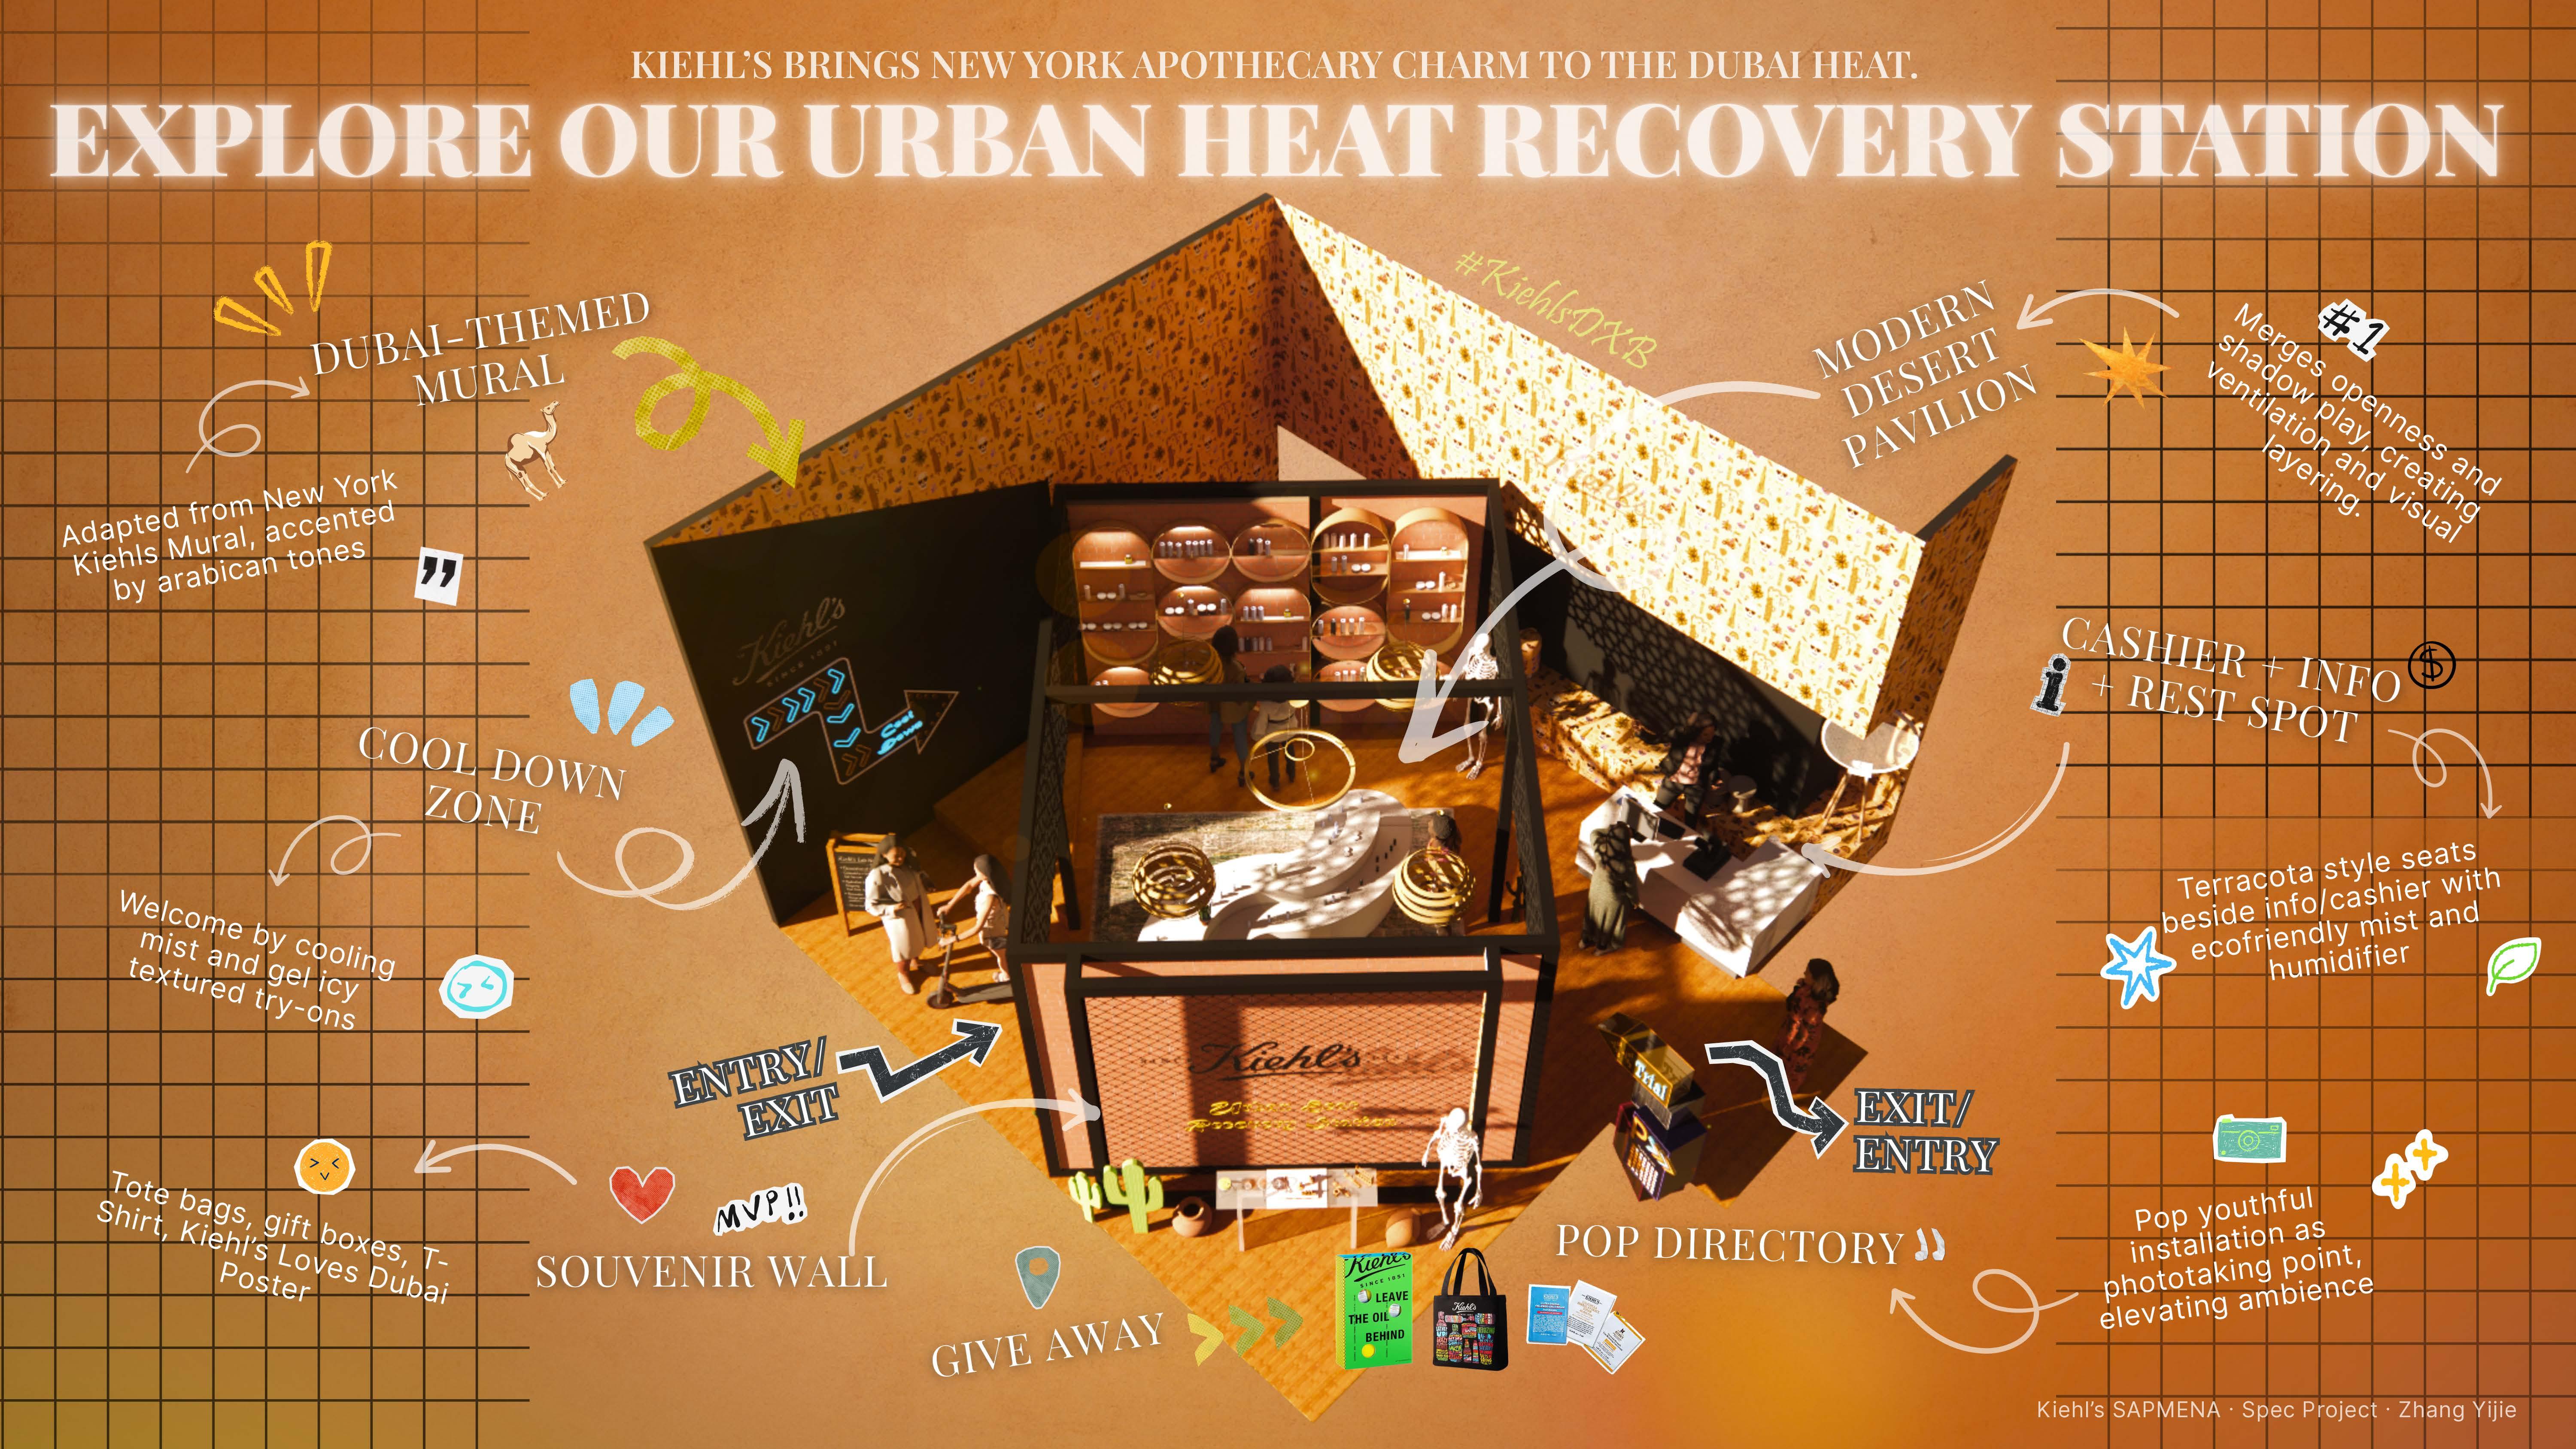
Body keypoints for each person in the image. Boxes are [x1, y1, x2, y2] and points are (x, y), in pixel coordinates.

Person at [864, 842, 933, 995]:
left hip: (917, 908)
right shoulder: (877, 876)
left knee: (919, 937)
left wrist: (926, 883)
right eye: (896, 856)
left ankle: (916, 961)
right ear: (884, 855)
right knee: (904, 947)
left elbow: (919, 876)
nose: (901, 858)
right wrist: (892, 909)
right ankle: (904, 974)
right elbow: (870, 905)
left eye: (903, 854)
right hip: (900, 917)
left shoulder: (908, 866)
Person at [938, 853, 1013, 987]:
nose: (975, 873)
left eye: (977, 871)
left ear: (985, 874)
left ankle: (1007, 977)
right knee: (1004, 953)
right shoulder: (992, 879)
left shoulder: (991, 898)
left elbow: (978, 928)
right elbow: (969, 885)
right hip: (1001, 919)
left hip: (992, 932)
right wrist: (950, 905)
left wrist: (951, 940)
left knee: (1001, 956)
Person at [1775, 958, 1841, 1093]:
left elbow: (1804, 1034)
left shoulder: (1815, 1010)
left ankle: (1784, 1093)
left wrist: (1790, 1048)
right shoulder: (1809, 990)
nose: (1805, 973)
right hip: (1791, 1030)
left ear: (1816, 979)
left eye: (1808, 973)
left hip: (1799, 1043)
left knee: (1794, 1069)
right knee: (1782, 1059)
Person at [1652, 711, 1722, 825]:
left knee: (1691, 820)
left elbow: (1713, 766)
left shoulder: (1716, 743)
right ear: (1696, 732)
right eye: (1706, 735)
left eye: (1712, 734)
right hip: (1674, 782)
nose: (1710, 738)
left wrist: (1715, 779)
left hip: (1695, 787)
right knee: (1655, 810)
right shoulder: (1681, 736)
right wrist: (1641, 733)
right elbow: (1658, 739)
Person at [1582, 821, 1639, 953]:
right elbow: (1631, 887)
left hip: (1596, 889)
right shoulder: (1628, 865)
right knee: (1610, 920)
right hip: (1612, 898)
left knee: (1592, 914)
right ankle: (1602, 947)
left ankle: (1585, 940)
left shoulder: (1600, 850)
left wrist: (1611, 831)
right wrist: (1635, 901)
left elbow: (1594, 833)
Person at [1208, 625, 1252, 785]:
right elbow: (1241, 693)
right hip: (1234, 708)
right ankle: (1243, 772)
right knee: (1240, 736)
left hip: (1215, 703)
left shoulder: (1211, 664)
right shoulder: (1237, 668)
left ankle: (1214, 758)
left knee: (1215, 728)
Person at [1248, 664, 1303, 791]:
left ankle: (1275, 781)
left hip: (1272, 734)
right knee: (1290, 752)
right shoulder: (1293, 697)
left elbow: (1262, 722)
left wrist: (1259, 736)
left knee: (1273, 758)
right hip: (1290, 729)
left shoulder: (1266, 704)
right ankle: (1292, 774)